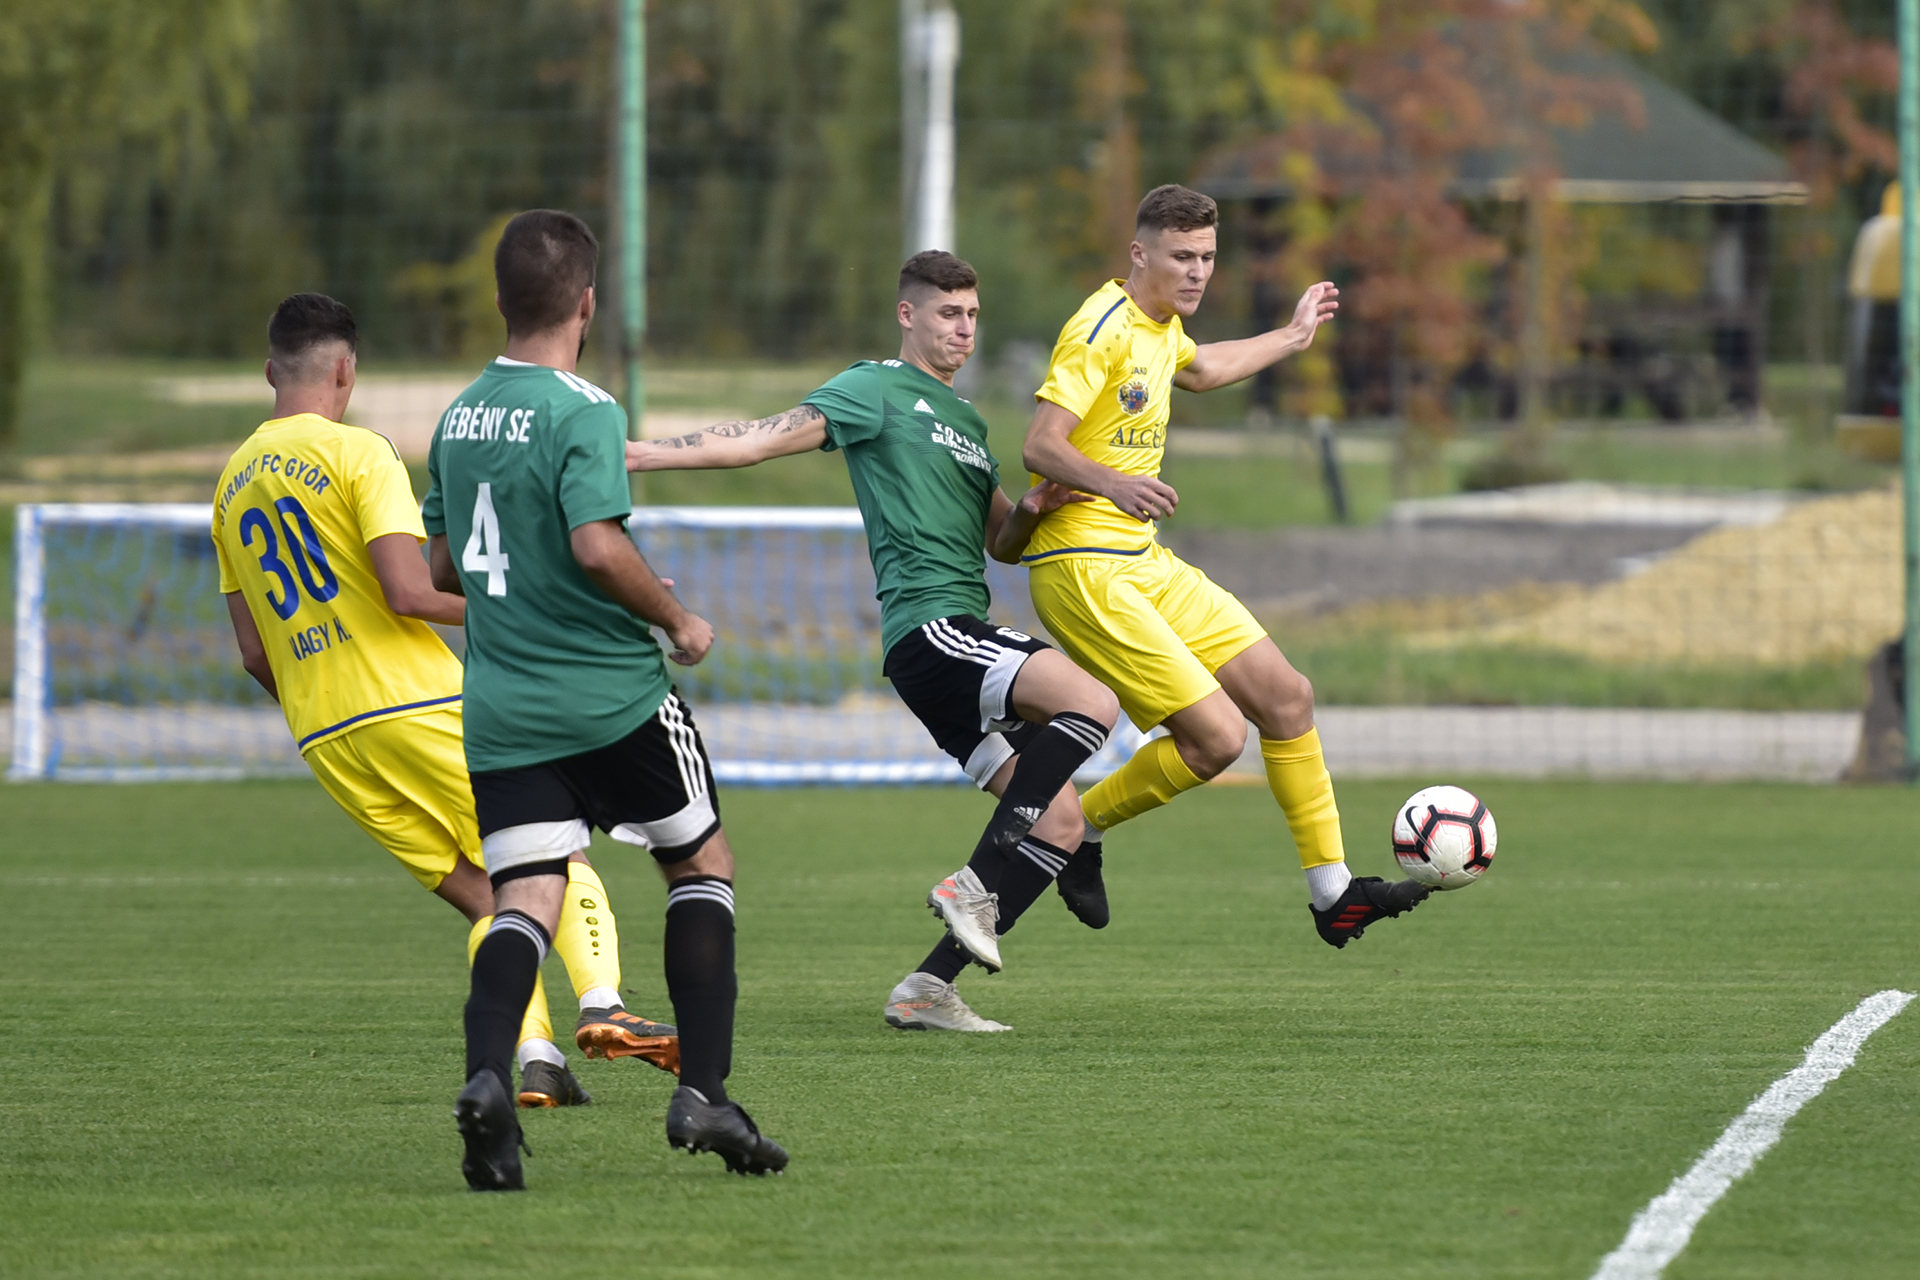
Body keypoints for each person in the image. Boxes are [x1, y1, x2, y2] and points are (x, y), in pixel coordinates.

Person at [626, 250, 1120, 1033]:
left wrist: (1032, 506)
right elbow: (760, 438)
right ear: (908, 315)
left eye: (972, 315)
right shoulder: (875, 388)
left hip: (956, 637)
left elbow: (1002, 542)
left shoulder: (964, 421)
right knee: (1094, 700)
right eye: (948, 314)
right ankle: (972, 890)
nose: (964, 329)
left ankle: (925, 989)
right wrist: (642, 452)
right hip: (934, 629)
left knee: (1060, 822)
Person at [213, 293, 675, 1117]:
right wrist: (534, 609)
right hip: (418, 704)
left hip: (326, 735)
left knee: (487, 896)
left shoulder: (229, 486)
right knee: (555, 856)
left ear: (269, 370)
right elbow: (408, 591)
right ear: (346, 369)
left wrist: (330, 699)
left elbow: (254, 652)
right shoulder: (359, 453)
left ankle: (537, 1060)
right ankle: (603, 1003)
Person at [424, 210, 786, 1190]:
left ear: (502, 300)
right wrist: (677, 618)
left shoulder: (456, 420)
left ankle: (490, 1080)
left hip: (503, 709)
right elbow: (595, 542)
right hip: (613, 698)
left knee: (527, 899)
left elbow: (444, 564)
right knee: (700, 861)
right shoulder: (585, 409)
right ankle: (704, 1092)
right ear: (587, 302)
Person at [1018, 184, 1431, 947]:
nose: (1197, 272)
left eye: (1207, 257)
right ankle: (1072, 827)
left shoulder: (1163, 326)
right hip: (1081, 565)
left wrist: (1292, 337)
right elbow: (1040, 445)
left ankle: (1333, 894)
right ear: (1139, 254)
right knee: (1215, 740)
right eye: (1182, 257)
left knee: (1285, 696)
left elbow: (1200, 370)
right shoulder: (1098, 327)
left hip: (1138, 558)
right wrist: (1116, 483)